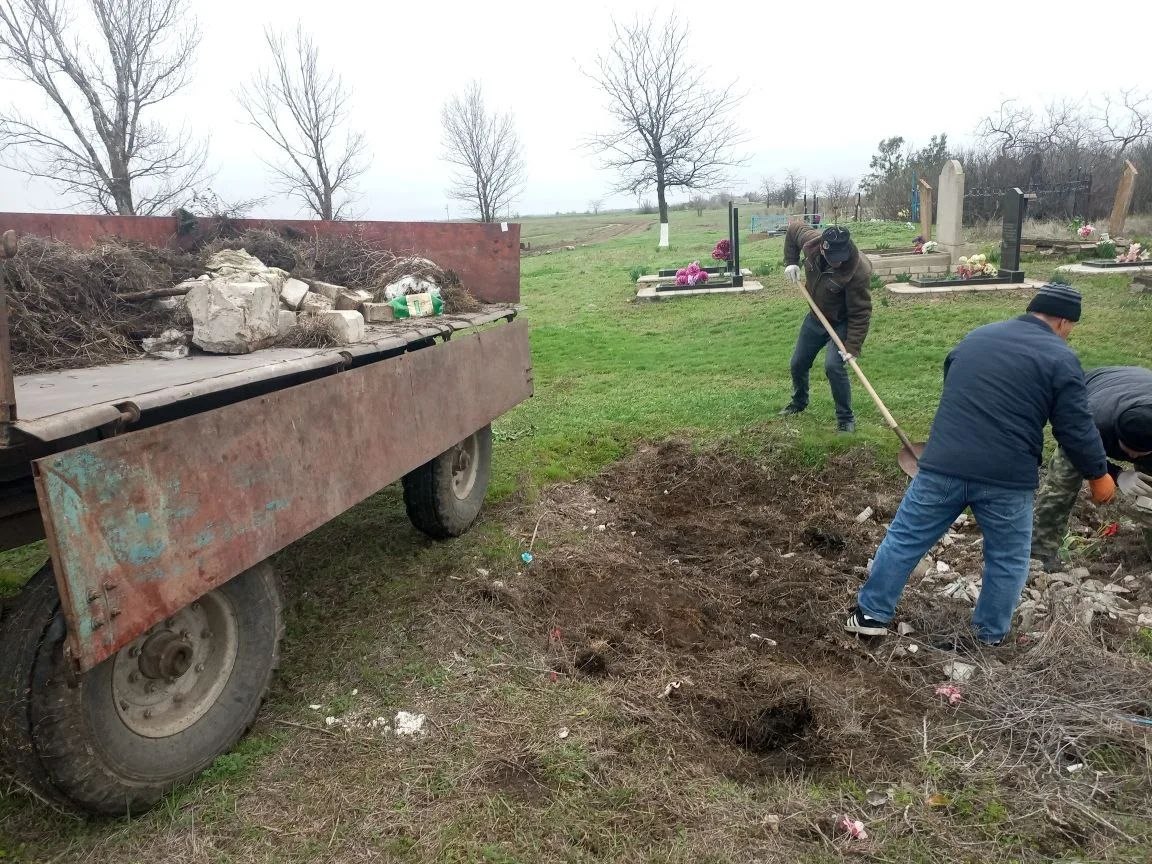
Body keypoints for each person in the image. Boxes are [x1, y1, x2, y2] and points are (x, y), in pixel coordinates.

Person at [845, 284, 1115, 646]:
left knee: (906, 539)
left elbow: (955, 384)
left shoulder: (976, 338)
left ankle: (870, 616)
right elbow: (1075, 428)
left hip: (943, 464)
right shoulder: (1060, 357)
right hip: (1006, 477)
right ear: (1064, 321)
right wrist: (1099, 474)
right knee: (1007, 557)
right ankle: (987, 636)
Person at [1032, 365, 1152, 569]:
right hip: (1098, 386)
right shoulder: (1093, 419)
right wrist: (1117, 474)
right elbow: (1072, 446)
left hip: (1139, 388)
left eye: (1139, 454)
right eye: (1128, 450)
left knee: (1149, 494)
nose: (1131, 456)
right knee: (1064, 478)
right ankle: (1039, 552)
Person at [780, 223, 873, 433]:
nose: (839, 261)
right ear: (823, 247)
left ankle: (845, 419)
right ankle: (799, 402)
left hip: (842, 322)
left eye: (842, 255)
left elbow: (861, 312)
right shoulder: (812, 243)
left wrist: (852, 347)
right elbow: (793, 229)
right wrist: (791, 262)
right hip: (816, 318)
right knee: (798, 363)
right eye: (834, 257)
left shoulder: (858, 270)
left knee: (834, 367)